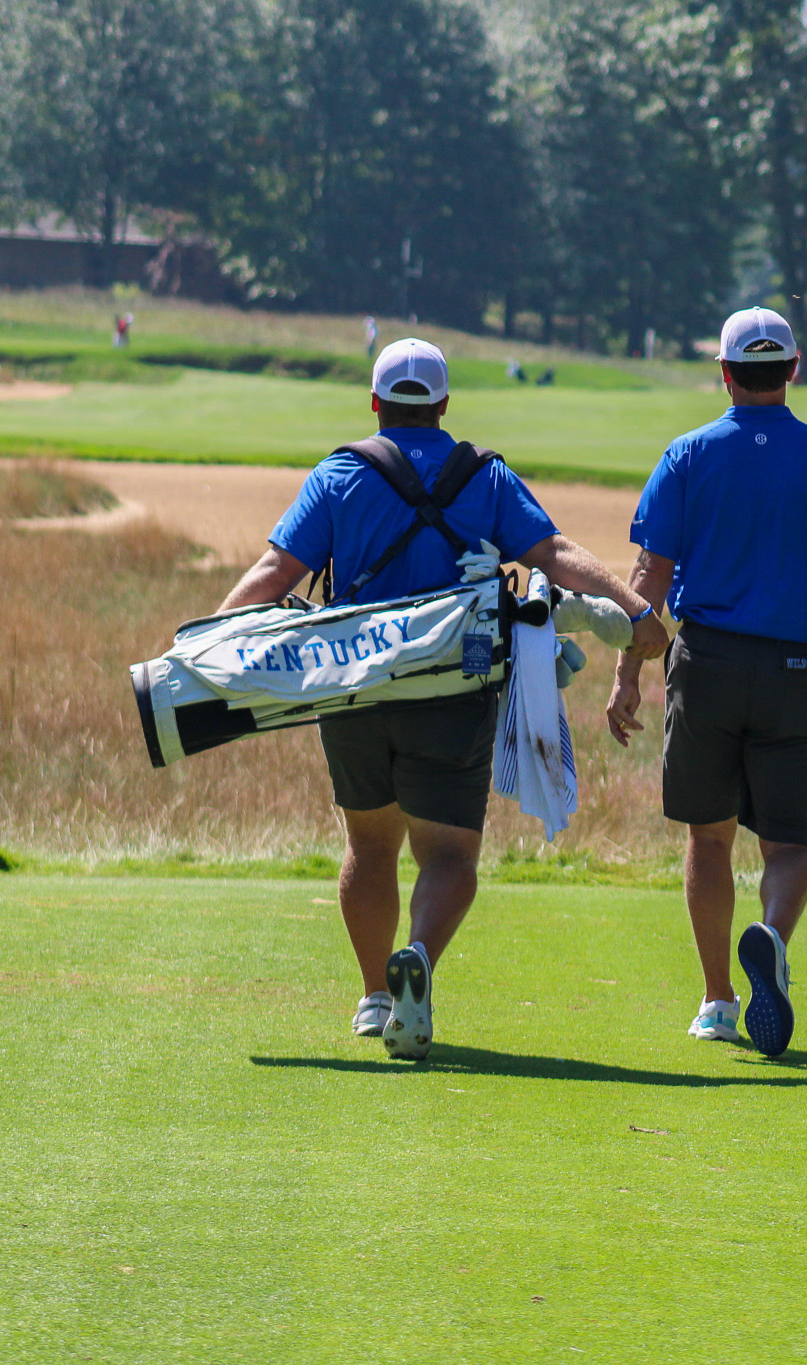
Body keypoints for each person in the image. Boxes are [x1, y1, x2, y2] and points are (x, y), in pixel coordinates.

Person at [217, 337, 669, 1059]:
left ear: (374, 403)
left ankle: (373, 996)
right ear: (444, 406)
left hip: (355, 687)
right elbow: (552, 553)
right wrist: (635, 609)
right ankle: (419, 955)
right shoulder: (484, 476)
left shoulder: (339, 474)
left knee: (369, 842)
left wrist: (206, 645)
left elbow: (276, 571)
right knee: (450, 853)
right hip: (455, 693)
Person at [606, 307, 807, 1059]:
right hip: (797, 669)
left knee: (709, 835)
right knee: (789, 845)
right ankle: (770, 935)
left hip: (710, 666)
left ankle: (717, 999)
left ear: (724, 374)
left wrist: (627, 673)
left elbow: (648, 578)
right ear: (793, 370)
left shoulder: (687, 455)